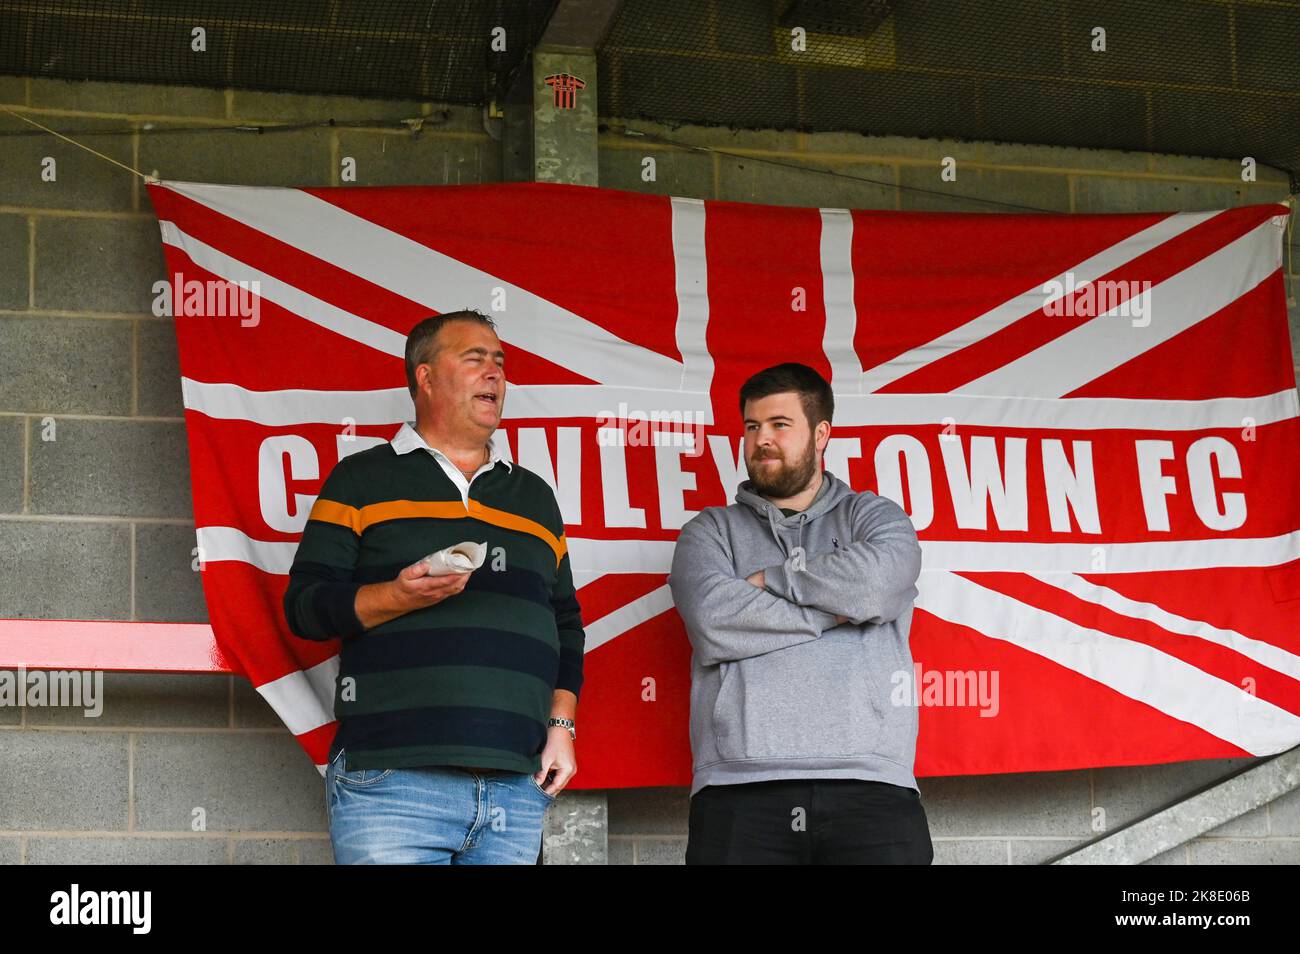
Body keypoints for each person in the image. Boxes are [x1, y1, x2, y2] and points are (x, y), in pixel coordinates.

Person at [283, 309, 585, 864]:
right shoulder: (361, 479)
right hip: (393, 781)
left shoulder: (536, 497)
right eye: (475, 359)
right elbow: (303, 608)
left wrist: (561, 725)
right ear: (424, 377)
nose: (494, 373)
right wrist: (397, 596)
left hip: (514, 787)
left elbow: (565, 623)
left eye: (499, 362)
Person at [668, 362, 932, 864]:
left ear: (821, 432)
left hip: (871, 784)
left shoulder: (872, 516)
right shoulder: (709, 531)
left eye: (779, 425)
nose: (761, 439)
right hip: (739, 788)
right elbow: (713, 621)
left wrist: (774, 580)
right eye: (751, 426)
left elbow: (877, 585)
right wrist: (838, 610)